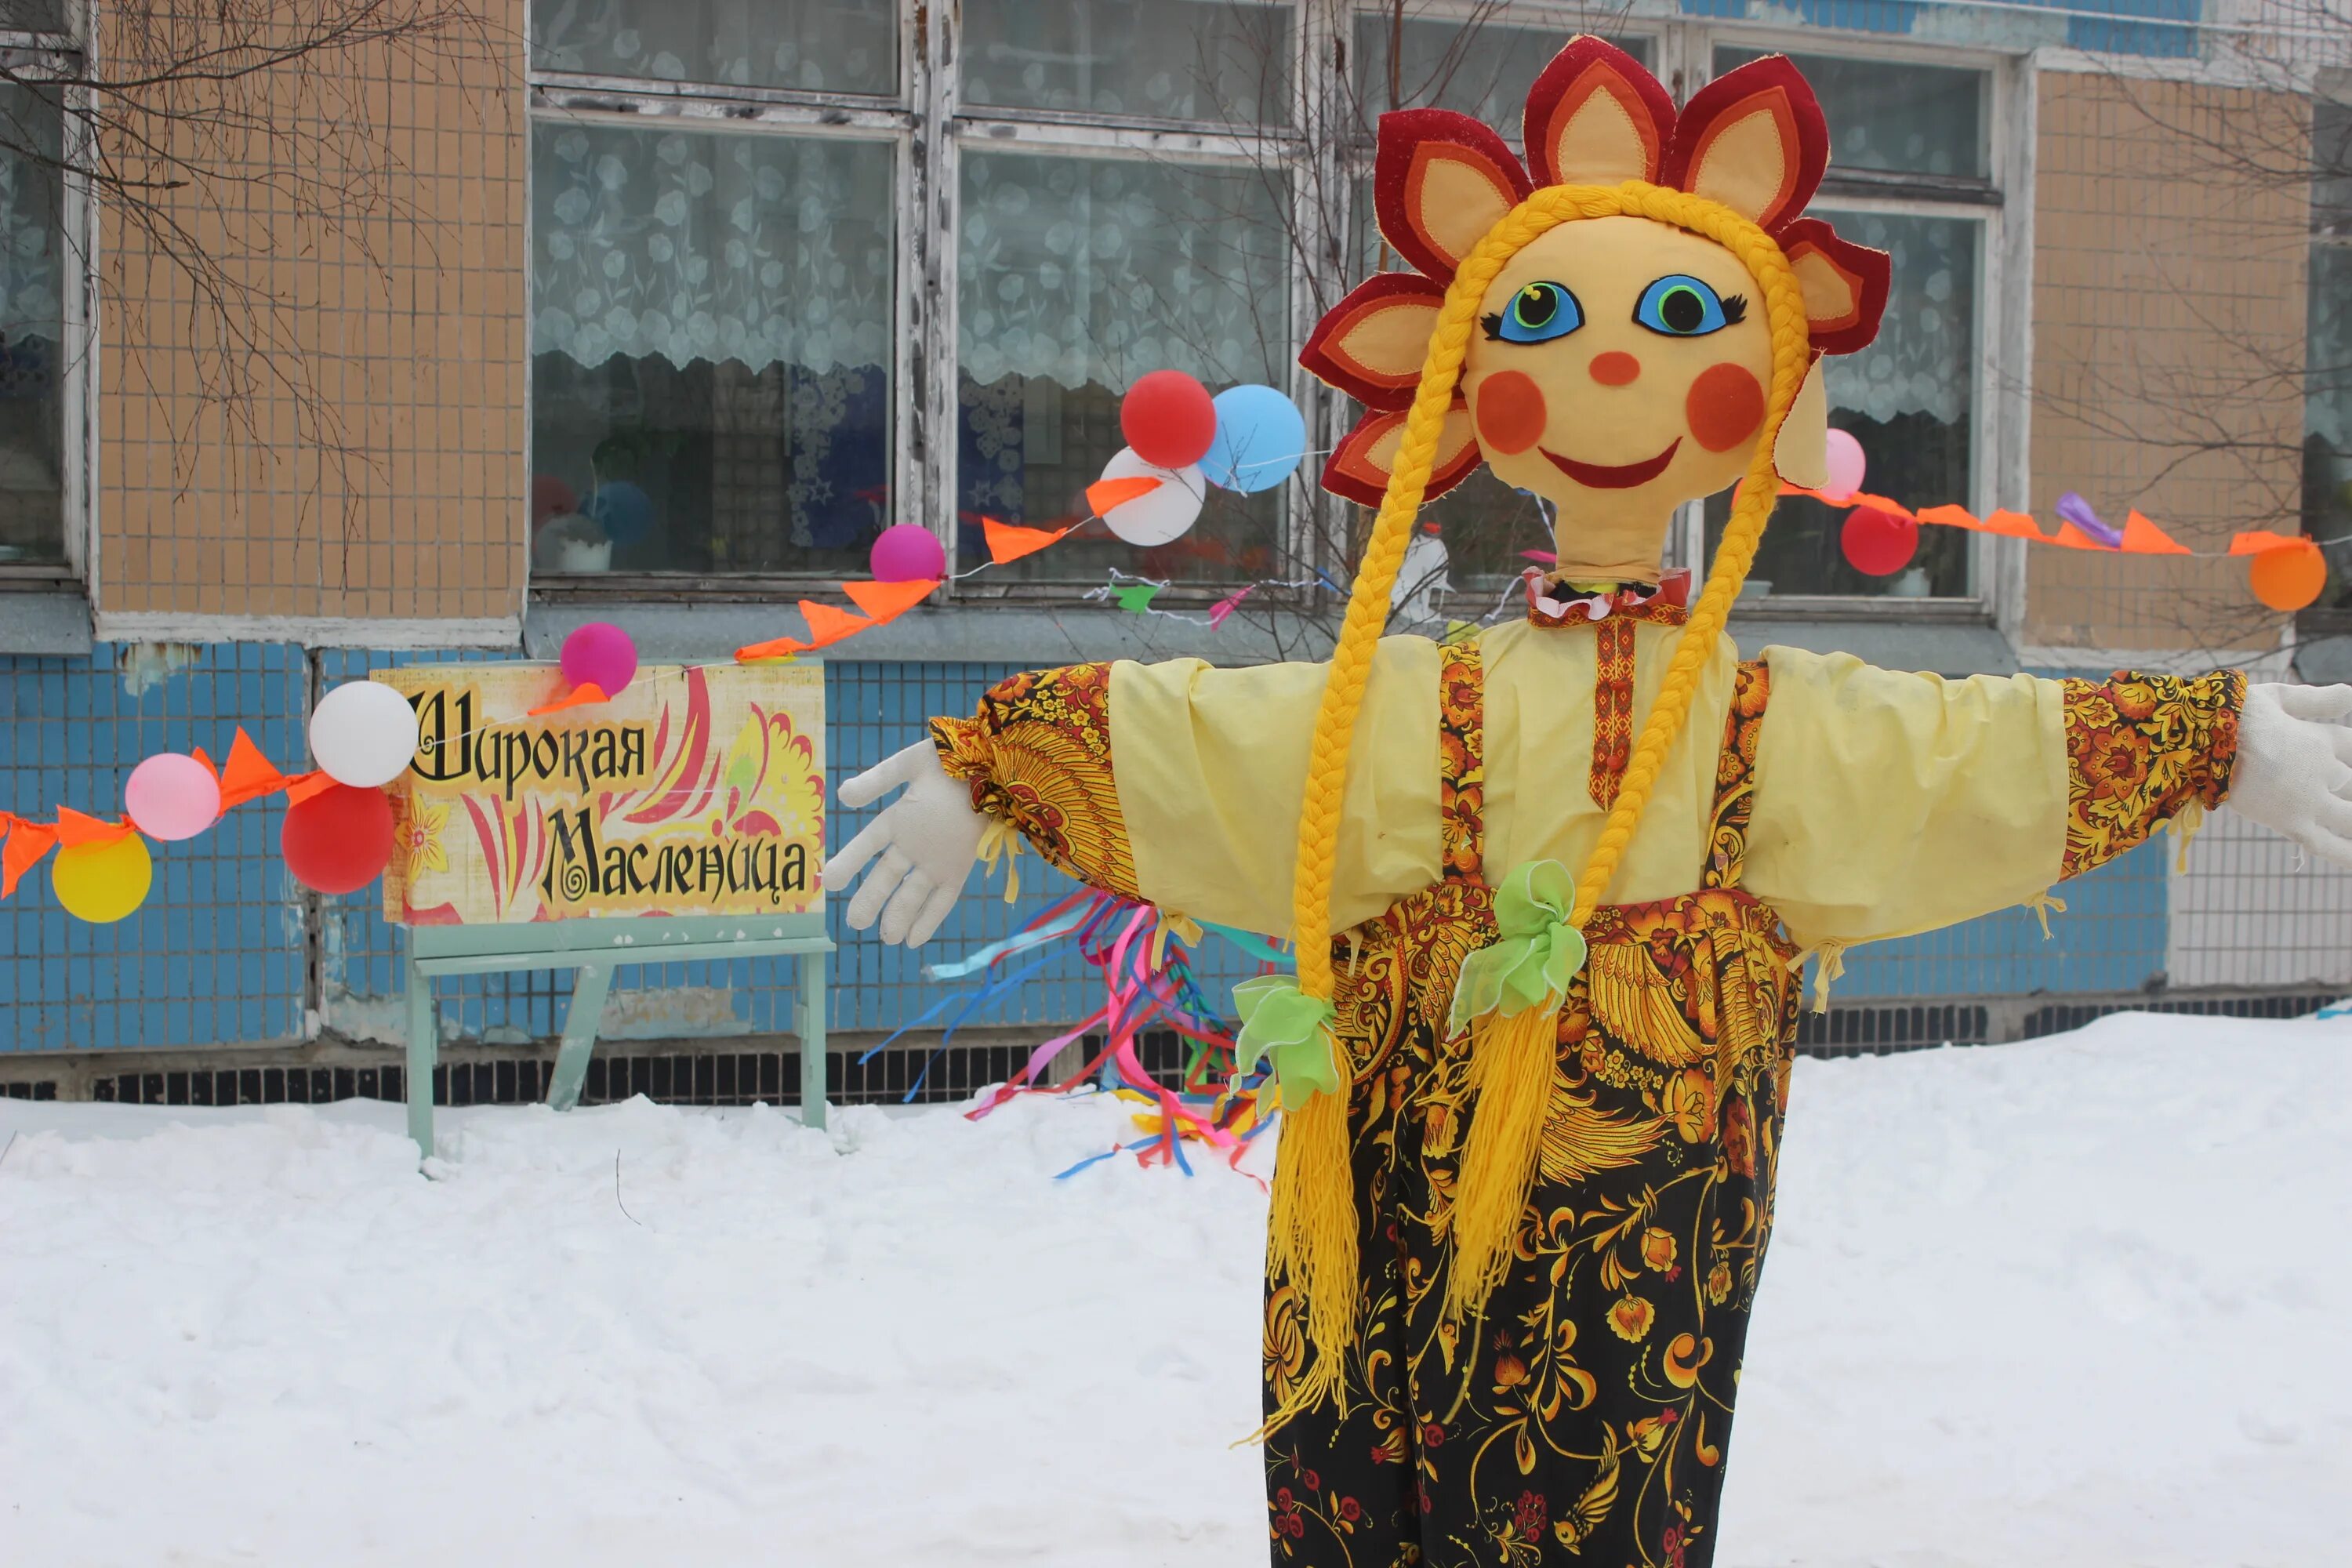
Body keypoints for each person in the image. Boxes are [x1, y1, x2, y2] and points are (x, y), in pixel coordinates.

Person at [825, 40, 2352, 1566]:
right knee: (1387, 1448)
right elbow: (1238, 740)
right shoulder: (1425, 705)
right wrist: (1002, 764)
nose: (1611, 366)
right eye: (1544, 319)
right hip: (1405, 1163)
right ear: (1469, 385)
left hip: (1651, 1211)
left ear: (1762, 389)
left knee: (1612, 1483)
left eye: (1681, 321)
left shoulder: (1750, 721)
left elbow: (1948, 758)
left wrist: (2209, 739)